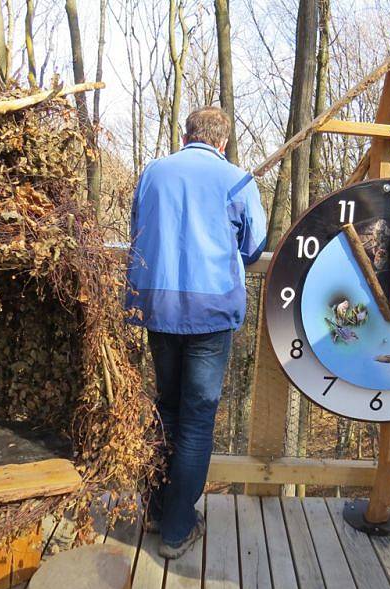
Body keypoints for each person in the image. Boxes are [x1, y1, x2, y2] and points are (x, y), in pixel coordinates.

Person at [125, 106, 266, 559]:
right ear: (221, 141)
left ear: (187, 135)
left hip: (158, 306)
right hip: (209, 312)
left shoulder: (153, 172)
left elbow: (136, 230)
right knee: (197, 420)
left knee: (166, 409)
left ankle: (155, 509)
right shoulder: (236, 179)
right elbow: (254, 245)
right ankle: (176, 528)